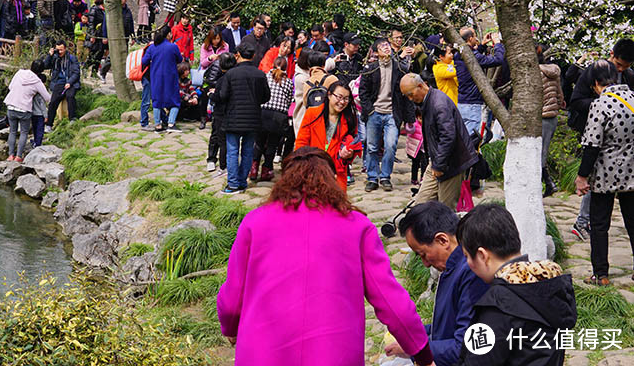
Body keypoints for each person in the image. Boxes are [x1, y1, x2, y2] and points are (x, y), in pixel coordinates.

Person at [217, 147, 435, 366]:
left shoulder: (255, 222)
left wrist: (230, 327)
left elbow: (232, 296)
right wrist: (423, 353)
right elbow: (390, 300)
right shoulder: (357, 227)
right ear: (331, 180)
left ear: (284, 180)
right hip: (334, 354)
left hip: (263, 353)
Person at [455, 204, 576, 365]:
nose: (468, 263)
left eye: (467, 256)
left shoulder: (498, 306)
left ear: (482, 255)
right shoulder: (550, 285)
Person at [387, 202, 489, 366]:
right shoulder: (453, 267)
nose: (425, 264)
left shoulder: (471, 273)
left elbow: (464, 346)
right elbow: (448, 325)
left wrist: (416, 349)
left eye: (423, 254)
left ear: (442, 240)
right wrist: (413, 335)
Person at [567, 38, 634, 240]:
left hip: (622, 142)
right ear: (612, 54)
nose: (620, 70)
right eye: (619, 65)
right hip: (595, 133)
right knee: (593, 177)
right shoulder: (594, 71)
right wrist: (603, 106)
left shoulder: (629, 75)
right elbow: (576, 101)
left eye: (626, 67)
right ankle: (582, 221)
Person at [574, 59, 634, 286]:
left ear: (596, 83)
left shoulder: (600, 104)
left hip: (605, 173)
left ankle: (601, 274)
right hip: (632, 172)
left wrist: (582, 177)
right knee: (633, 221)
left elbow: (591, 145)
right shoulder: (633, 98)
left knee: (599, 225)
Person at [401, 73, 476, 207]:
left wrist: (439, 165)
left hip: (452, 163)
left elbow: (448, 137)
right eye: (407, 96)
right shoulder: (428, 100)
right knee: (421, 205)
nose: (410, 99)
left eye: (411, 94)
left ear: (420, 86)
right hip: (437, 160)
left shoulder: (438, 103)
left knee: (445, 209)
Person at [359, 38, 414, 192]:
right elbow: (363, 92)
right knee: (372, 147)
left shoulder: (399, 67)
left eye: (387, 46)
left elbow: (405, 93)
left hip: (392, 113)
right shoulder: (370, 68)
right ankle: (372, 177)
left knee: (391, 146)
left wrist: (409, 118)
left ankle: (385, 176)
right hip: (374, 112)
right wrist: (369, 110)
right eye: (382, 47)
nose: (386, 49)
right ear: (376, 52)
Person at [216, 44, 270, 194]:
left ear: (237, 54)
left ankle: (232, 184)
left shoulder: (231, 74)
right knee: (247, 151)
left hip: (233, 117)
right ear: (253, 56)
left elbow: (223, 95)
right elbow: (266, 97)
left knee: (232, 151)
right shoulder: (260, 74)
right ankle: (242, 182)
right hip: (253, 117)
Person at [294, 79, 361, 191]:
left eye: (346, 99)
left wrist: (349, 154)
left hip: (336, 173)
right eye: (339, 97)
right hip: (312, 170)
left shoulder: (349, 119)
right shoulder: (312, 113)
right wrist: (302, 166)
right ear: (329, 95)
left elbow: (354, 143)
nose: (342, 102)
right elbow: (301, 142)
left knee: (334, 205)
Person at [455, 28, 506, 136]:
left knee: (463, 137)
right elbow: (498, 59)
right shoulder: (472, 56)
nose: (476, 38)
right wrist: (497, 44)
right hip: (472, 104)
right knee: (472, 140)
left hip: (462, 102)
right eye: (475, 36)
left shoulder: (459, 54)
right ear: (470, 38)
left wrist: (482, 45)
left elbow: (473, 57)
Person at [252, 57, 294, 182]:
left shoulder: (265, 77)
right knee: (272, 143)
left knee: (259, 142)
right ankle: (267, 169)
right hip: (279, 116)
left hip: (263, 112)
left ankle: (253, 168)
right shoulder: (288, 82)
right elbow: (287, 101)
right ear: (286, 67)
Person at [2, 61, 51, 161]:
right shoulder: (37, 81)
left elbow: (10, 87)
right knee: (24, 132)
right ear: (42, 71)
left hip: (11, 106)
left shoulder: (19, 72)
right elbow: (47, 97)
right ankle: (19, 156)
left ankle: (11, 155)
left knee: (12, 131)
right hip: (24, 109)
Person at [141, 25, 184, 132]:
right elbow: (179, 59)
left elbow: (144, 61)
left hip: (155, 77)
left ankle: (158, 125)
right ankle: (171, 124)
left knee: (157, 101)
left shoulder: (152, 47)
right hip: (171, 77)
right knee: (175, 101)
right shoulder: (173, 47)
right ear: (169, 34)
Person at [205, 53, 236, 173]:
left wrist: (212, 94)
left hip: (223, 111)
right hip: (225, 112)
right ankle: (212, 159)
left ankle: (224, 165)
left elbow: (219, 96)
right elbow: (209, 81)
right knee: (218, 136)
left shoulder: (227, 79)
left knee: (223, 139)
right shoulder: (223, 77)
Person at [538, 46, 562, 197]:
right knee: (542, 152)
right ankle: (548, 184)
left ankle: (548, 184)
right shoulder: (554, 71)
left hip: (541, 116)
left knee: (539, 155)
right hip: (552, 116)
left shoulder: (536, 72)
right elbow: (560, 94)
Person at [44, 40, 81, 129]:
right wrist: (50, 55)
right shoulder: (55, 57)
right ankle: (49, 124)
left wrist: (69, 82)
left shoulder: (72, 58)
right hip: (58, 82)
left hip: (70, 82)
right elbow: (45, 65)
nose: (59, 52)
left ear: (65, 49)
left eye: (61, 50)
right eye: (58, 50)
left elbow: (76, 73)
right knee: (53, 101)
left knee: (70, 96)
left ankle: (72, 119)